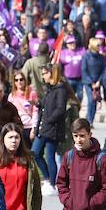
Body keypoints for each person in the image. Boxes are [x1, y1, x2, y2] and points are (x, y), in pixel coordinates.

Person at [32, 65, 68, 195]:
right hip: (44, 127)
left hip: (52, 128)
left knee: (49, 156)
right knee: (35, 153)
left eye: (44, 74)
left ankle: (52, 184)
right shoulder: (50, 89)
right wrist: (38, 104)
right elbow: (47, 105)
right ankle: (48, 179)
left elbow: (60, 109)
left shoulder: (60, 89)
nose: (43, 76)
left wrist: (49, 120)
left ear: (51, 73)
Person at [8, 72, 39, 148]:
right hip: (17, 127)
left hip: (29, 127)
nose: (19, 82)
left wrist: (34, 128)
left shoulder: (32, 93)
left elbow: (35, 112)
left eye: (21, 79)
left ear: (25, 80)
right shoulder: (11, 96)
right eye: (16, 80)